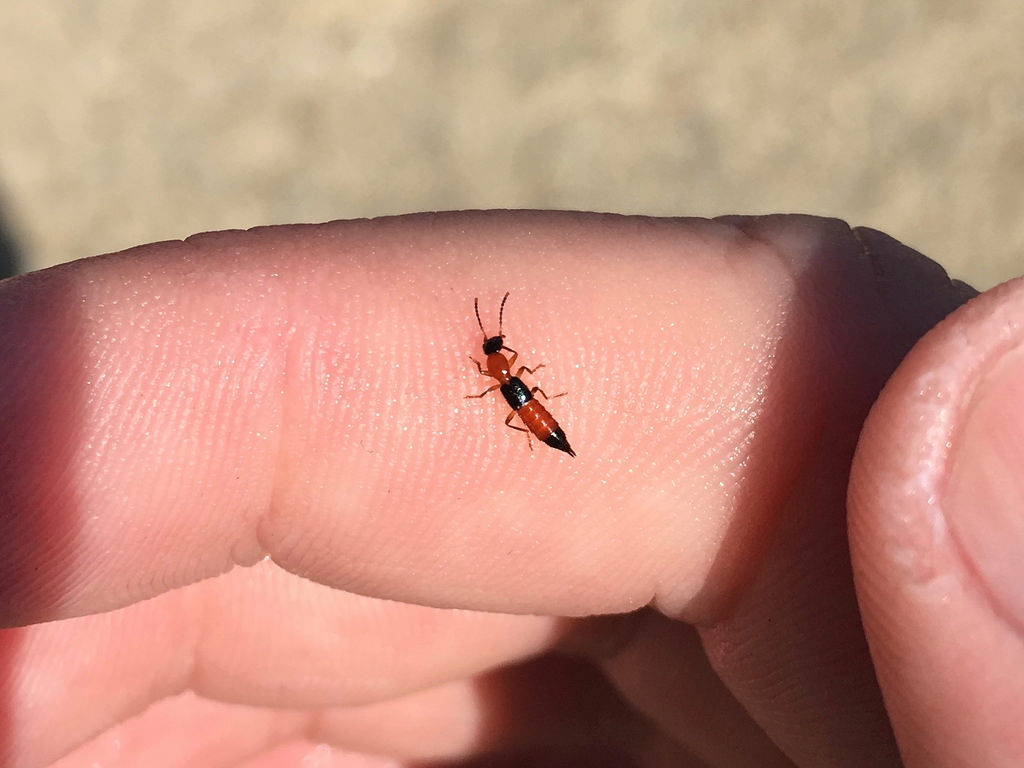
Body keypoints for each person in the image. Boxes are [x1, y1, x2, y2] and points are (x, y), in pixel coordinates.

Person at [0, 211, 1019, 767]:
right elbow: (507, 376)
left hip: (541, 417)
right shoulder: (508, 378)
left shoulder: (511, 378)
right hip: (539, 417)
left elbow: (510, 376)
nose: (494, 353)